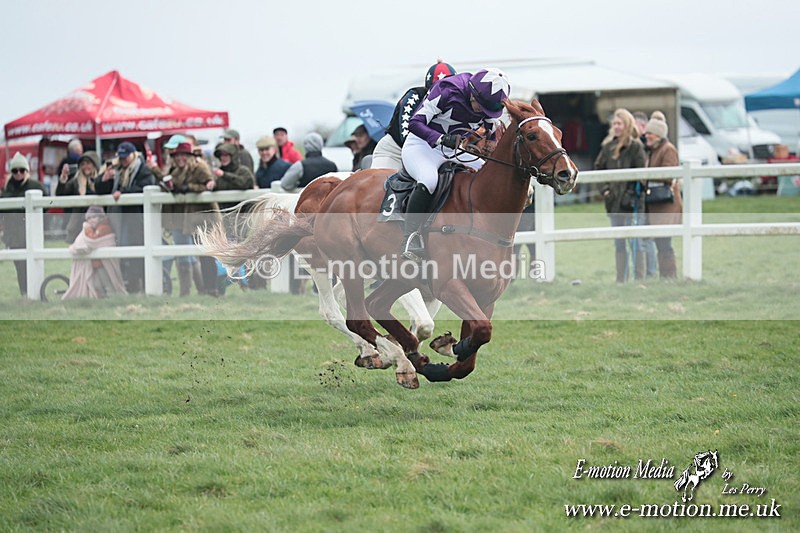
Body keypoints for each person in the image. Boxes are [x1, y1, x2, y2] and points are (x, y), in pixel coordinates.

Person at [400, 67, 510, 261]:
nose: (482, 113)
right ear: (473, 93)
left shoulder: (491, 105)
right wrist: (441, 139)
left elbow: (492, 137)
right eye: (480, 106)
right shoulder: (446, 90)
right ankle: (410, 236)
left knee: (487, 175)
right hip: (421, 146)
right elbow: (414, 123)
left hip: (454, 151)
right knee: (429, 180)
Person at [371, 61, 457, 170]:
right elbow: (406, 134)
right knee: (382, 182)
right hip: (395, 152)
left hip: (429, 152)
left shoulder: (458, 103)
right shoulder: (414, 97)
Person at [95, 141, 156, 293]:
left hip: (137, 219)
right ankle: (130, 285)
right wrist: (104, 178)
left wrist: (124, 193)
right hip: (120, 218)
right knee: (124, 249)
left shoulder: (143, 170)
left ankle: (139, 286)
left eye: (125, 157)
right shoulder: (115, 170)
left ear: (133, 155)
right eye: (121, 157)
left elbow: (144, 186)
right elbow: (99, 189)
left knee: (134, 250)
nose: (122, 161)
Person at [161, 142, 222, 296]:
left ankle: (211, 288)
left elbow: (209, 185)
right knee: (190, 253)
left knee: (206, 254)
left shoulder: (199, 167)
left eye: (183, 155)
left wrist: (190, 188)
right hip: (188, 217)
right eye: (177, 156)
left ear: (189, 156)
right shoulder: (176, 171)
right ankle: (195, 290)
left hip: (204, 215)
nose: (180, 158)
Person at [596, 108, 647, 283]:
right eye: (615, 124)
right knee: (619, 243)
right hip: (613, 203)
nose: (617, 127)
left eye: (620, 123)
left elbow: (642, 175)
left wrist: (630, 194)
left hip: (631, 203)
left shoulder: (635, 147)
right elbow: (598, 169)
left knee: (636, 241)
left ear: (627, 125)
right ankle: (620, 279)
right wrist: (605, 190)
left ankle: (639, 278)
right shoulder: (607, 146)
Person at [0, 153, 47, 295]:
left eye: (21, 170)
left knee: (31, 265)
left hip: (31, 233)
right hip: (13, 234)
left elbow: (47, 204)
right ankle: (25, 294)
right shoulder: (7, 188)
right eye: (15, 171)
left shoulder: (36, 186)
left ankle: (35, 293)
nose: (18, 173)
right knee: (19, 266)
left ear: (27, 171)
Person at [643, 111, 681, 278]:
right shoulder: (654, 150)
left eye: (650, 133)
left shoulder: (668, 150)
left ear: (658, 134)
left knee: (665, 243)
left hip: (667, 204)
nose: (647, 136)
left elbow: (668, 174)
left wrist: (646, 175)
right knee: (660, 242)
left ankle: (670, 275)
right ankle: (665, 275)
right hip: (657, 204)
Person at [62, 206, 127, 299]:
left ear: (100, 217)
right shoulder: (95, 228)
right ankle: (103, 302)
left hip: (103, 265)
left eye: (94, 217)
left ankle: (114, 299)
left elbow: (93, 240)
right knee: (97, 285)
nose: (91, 220)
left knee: (108, 284)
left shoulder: (103, 227)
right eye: (89, 218)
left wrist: (87, 229)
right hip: (97, 264)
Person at [633, 110, 657, 277]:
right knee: (644, 238)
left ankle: (649, 273)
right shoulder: (643, 145)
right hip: (645, 196)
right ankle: (646, 273)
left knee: (646, 238)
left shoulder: (643, 146)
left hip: (649, 197)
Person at [56, 150, 100, 243]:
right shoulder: (75, 182)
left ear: (94, 165)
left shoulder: (101, 181)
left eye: (88, 163)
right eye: (83, 164)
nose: (85, 166)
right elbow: (60, 195)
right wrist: (63, 179)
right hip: (78, 226)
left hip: (98, 224)